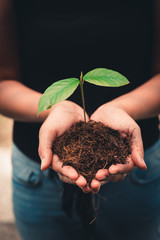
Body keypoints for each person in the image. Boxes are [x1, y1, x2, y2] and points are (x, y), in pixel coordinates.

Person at [0, 0, 160, 239]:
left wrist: (122, 107)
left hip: (136, 171)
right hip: (38, 175)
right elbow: (3, 81)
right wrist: (54, 108)